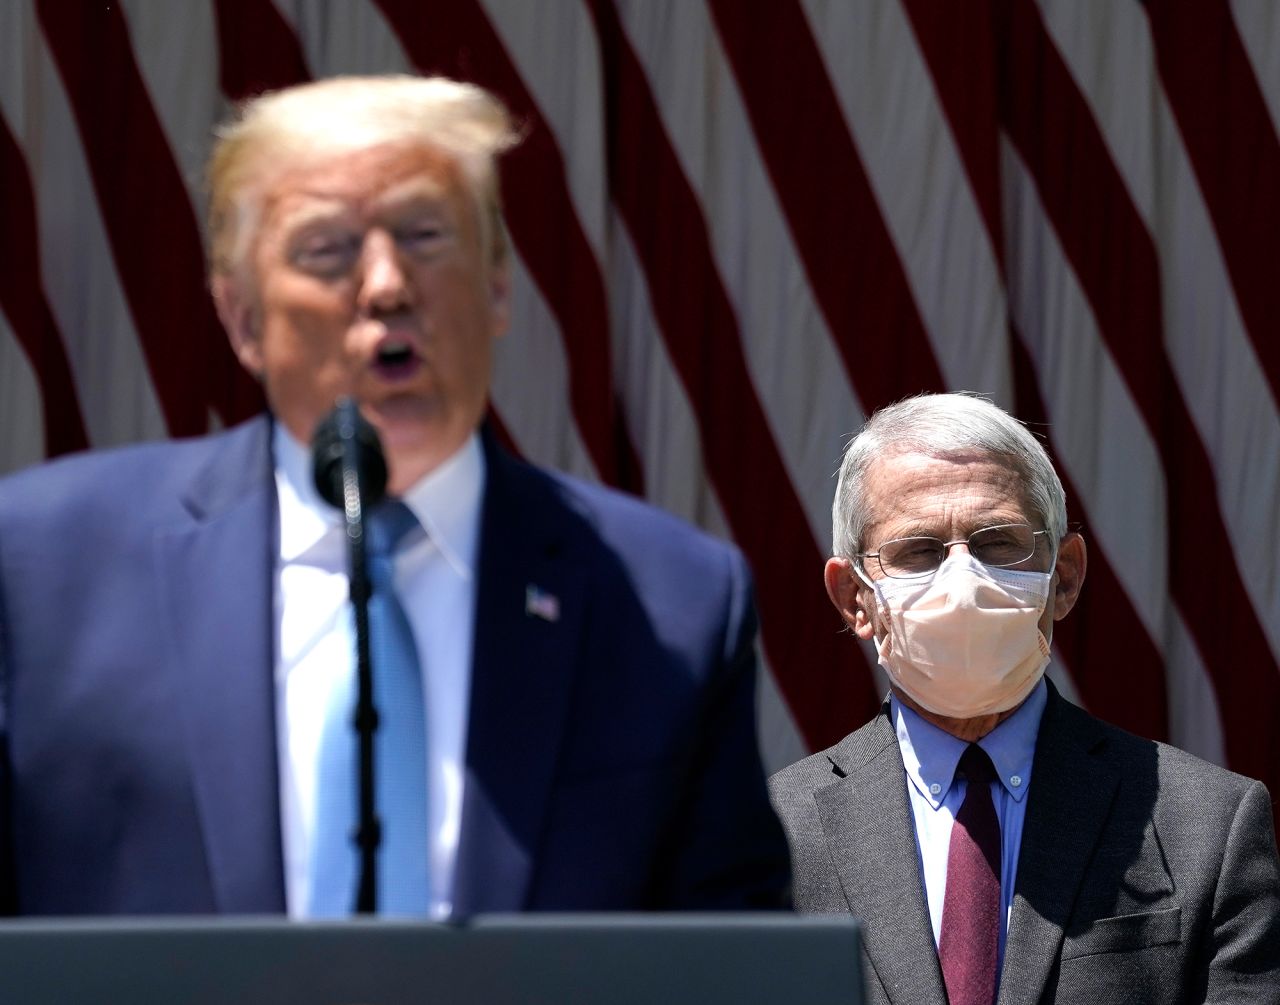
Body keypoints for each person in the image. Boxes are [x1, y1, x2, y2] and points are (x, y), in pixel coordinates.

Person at [0, 75, 789, 917]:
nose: (385, 285)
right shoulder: (42, 568)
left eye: (424, 235)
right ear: (241, 319)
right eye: (327, 249)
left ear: (497, 285)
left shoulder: (672, 602)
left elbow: (731, 957)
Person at [770, 393, 1280, 1003]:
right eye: (919, 551)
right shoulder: (773, 834)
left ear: (1062, 578)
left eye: (997, 544)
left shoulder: (1207, 823)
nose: (963, 582)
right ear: (855, 597)